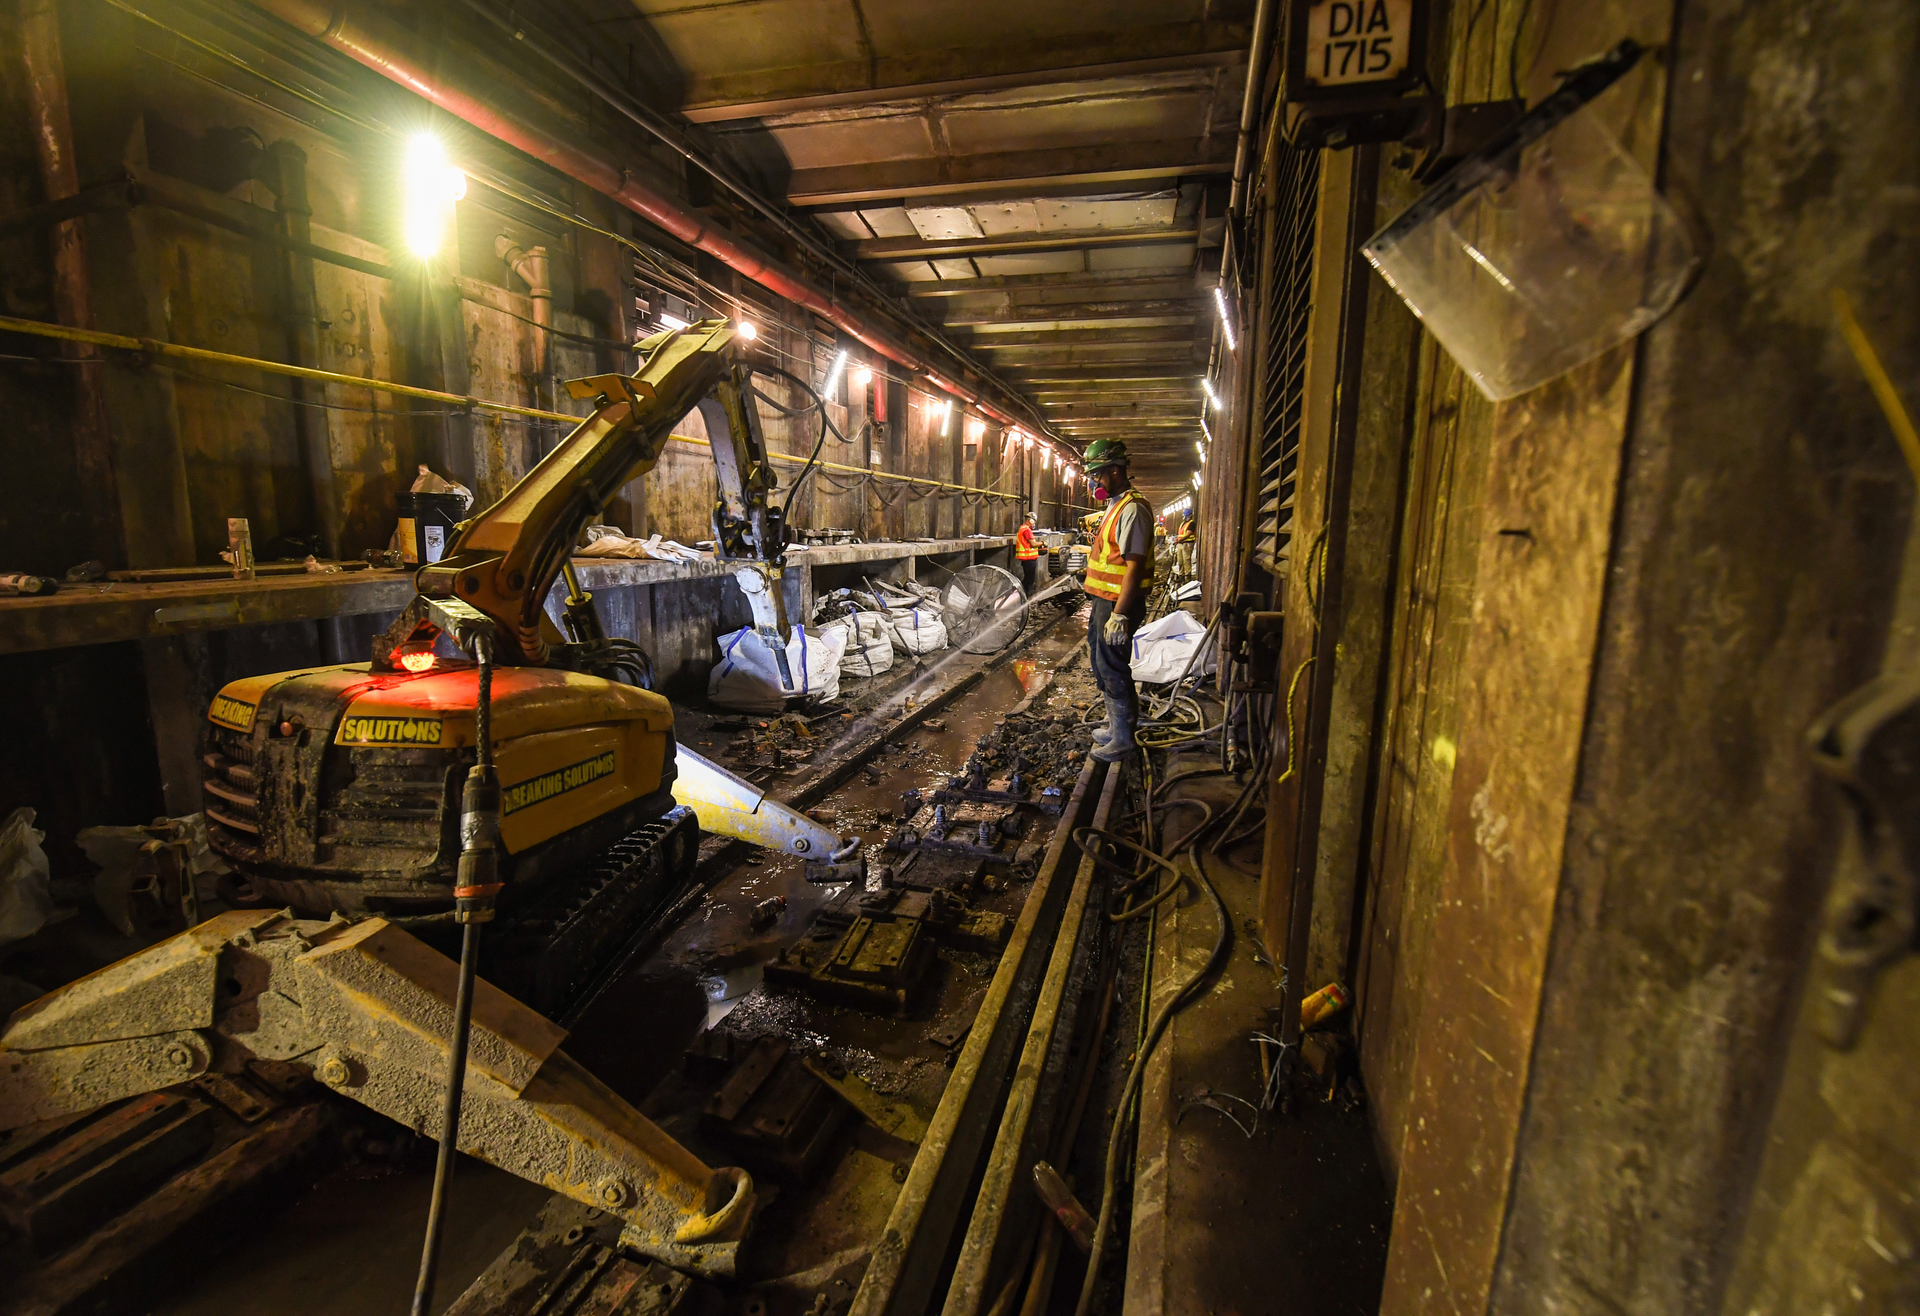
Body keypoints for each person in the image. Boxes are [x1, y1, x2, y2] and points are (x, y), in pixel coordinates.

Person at [1080, 439, 1153, 762]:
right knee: (1100, 661)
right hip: (1103, 601)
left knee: (1113, 665)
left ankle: (1123, 740)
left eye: (1098, 475)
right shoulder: (1116, 505)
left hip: (1116, 604)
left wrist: (1120, 615)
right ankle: (1115, 727)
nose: (1095, 482)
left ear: (1114, 470)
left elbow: (1133, 566)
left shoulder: (1133, 509)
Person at [1015, 512, 1040, 593]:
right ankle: (1022, 597)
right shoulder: (1026, 530)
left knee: (1027, 579)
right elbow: (1033, 544)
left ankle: (1021, 597)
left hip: (1026, 559)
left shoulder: (1022, 528)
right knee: (1029, 580)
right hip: (1029, 559)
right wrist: (1043, 543)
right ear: (1031, 521)